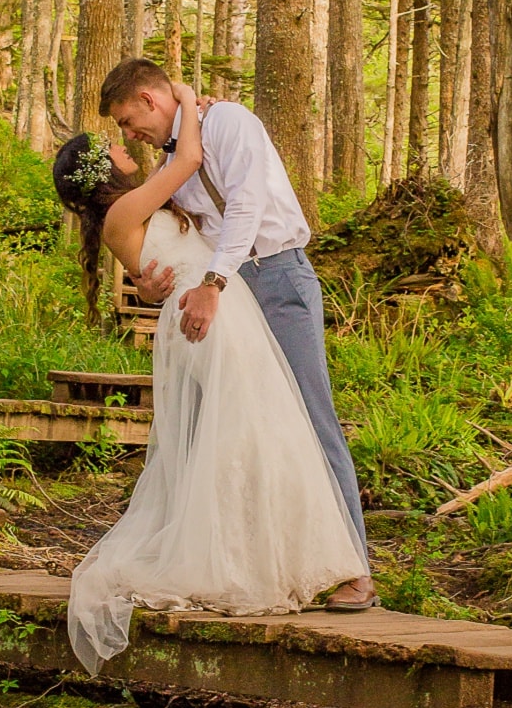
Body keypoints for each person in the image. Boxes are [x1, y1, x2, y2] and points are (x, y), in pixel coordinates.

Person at [51, 76, 368, 672]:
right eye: (120, 137)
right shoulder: (166, 170)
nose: (128, 137)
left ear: (149, 99)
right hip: (220, 306)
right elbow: (178, 220)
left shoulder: (223, 126)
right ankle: (262, 559)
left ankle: (352, 571)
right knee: (243, 437)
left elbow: (238, 209)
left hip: (266, 281)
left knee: (307, 423)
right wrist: (161, 280)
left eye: (126, 122)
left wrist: (194, 104)